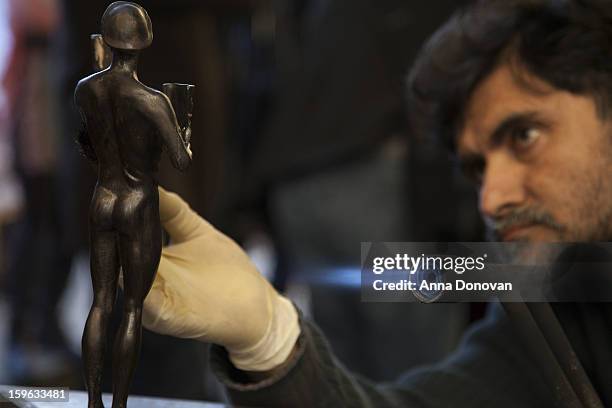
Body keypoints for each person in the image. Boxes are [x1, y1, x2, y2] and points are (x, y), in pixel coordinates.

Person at [142, 0, 612, 406]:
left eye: (525, 135)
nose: (492, 198)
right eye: (475, 169)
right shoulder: (547, 310)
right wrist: (270, 341)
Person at [74, 2, 192, 407]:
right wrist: (183, 125)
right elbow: (181, 160)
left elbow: (89, 143)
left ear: (107, 40)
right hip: (137, 201)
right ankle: (119, 404)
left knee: (100, 302)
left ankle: (93, 401)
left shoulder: (85, 89)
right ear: (143, 44)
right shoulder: (153, 100)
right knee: (131, 310)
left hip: (102, 197)